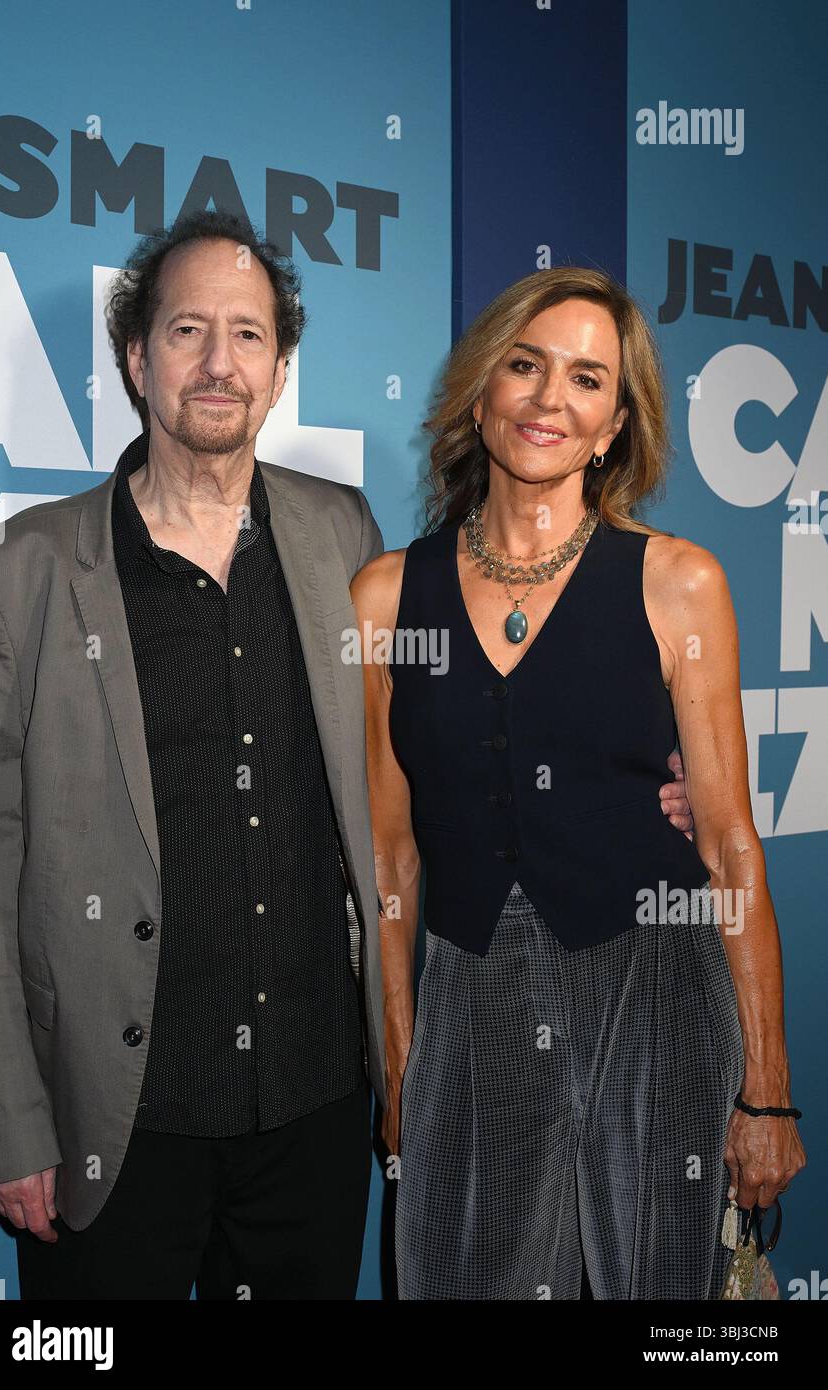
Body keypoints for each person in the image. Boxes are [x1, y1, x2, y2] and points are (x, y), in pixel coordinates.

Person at [351, 266, 806, 1300]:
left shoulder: (676, 580)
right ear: (480, 392)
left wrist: (766, 1089)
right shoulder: (385, 595)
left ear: (613, 423)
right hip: (473, 1002)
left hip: (656, 991)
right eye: (525, 365)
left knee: (667, 1295)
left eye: (587, 379)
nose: (550, 398)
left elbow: (729, 844)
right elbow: (388, 853)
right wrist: (399, 1055)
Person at [0, 210, 387, 1299]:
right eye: (187, 328)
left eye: (248, 335)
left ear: (281, 369)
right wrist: (6, 1122)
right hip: (113, 1124)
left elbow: (408, 761)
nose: (217, 361)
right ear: (136, 358)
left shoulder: (342, 533)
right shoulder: (17, 572)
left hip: (312, 1106)